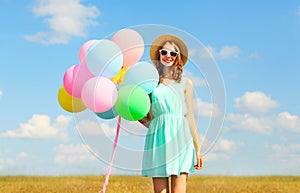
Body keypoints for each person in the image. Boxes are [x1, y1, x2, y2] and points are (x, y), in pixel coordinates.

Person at [139, 34, 203, 193]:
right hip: (158, 139)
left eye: (173, 53)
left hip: (181, 137)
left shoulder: (186, 83)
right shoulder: (151, 84)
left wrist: (198, 149)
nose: (168, 56)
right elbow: (145, 116)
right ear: (159, 54)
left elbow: (190, 117)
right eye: (164, 52)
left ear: (178, 57)